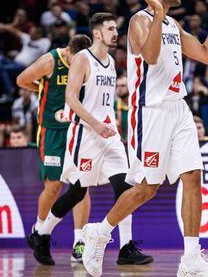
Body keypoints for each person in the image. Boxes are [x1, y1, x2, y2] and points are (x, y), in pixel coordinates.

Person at [81, 0, 208, 277]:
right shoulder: (140, 20)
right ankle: (100, 231)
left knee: (192, 176)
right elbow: (150, 56)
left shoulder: (174, 24)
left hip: (179, 109)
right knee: (147, 188)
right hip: (150, 112)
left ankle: (190, 259)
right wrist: (159, 16)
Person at [25, 14, 152, 266]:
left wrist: (109, 124)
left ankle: (125, 248)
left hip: (109, 136)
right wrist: (95, 123)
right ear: (97, 33)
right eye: (110, 29)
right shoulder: (82, 59)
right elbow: (71, 98)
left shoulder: (111, 61)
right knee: (76, 192)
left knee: (125, 188)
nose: (116, 33)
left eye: (116, 28)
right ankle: (42, 234)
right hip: (85, 135)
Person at [17, 34, 93, 263]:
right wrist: (41, 88)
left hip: (77, 129)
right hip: (52, 131)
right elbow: (22, 80)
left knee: (82, 184)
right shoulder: (50, 61)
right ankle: (39, 231)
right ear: (68, 52)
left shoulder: (88, 61)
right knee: (54, 186)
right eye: (74, 60)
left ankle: (79, 242)